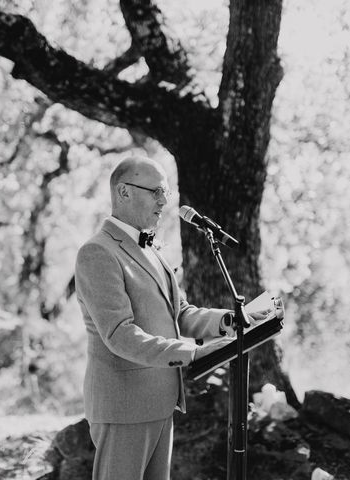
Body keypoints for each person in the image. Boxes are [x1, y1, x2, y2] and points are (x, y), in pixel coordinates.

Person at [75, 156, 268, 480]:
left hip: (161, 402)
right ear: (123, 192)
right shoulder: (98, 252)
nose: (164, 201)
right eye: (156, 192)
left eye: (165, 192)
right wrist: (191, 352)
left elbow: (179, 313)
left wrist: (234, 319)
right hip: (124, 407)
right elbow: (120, 334)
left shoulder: (152, 250)